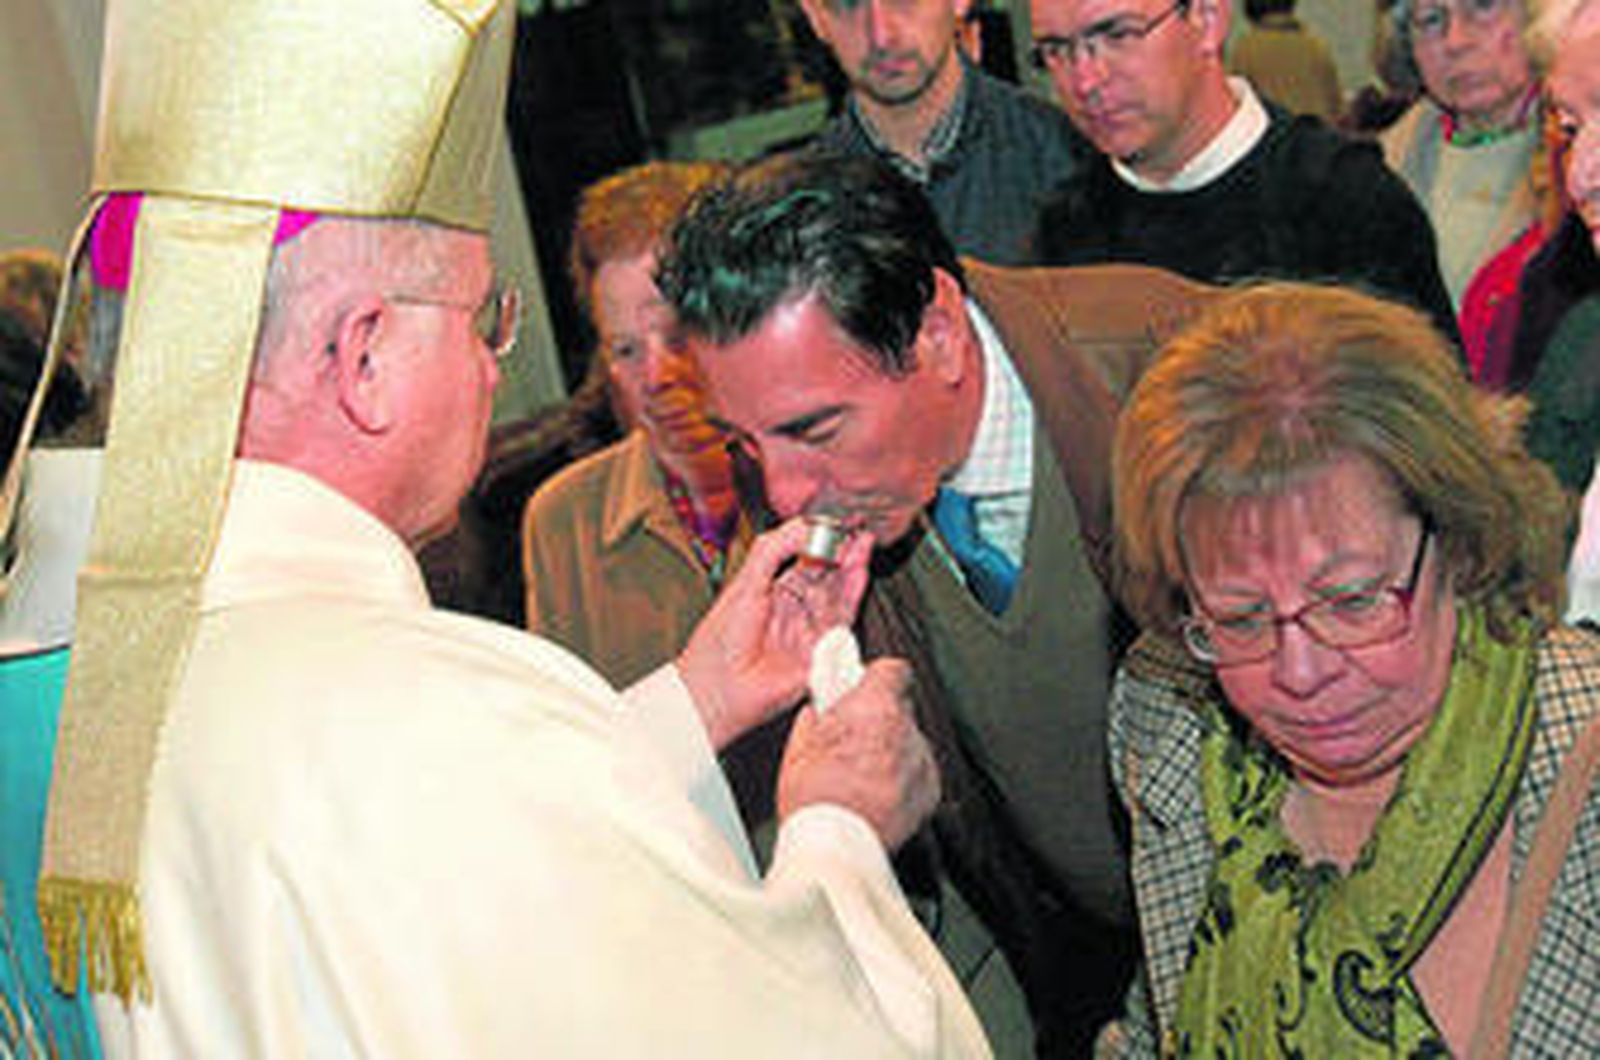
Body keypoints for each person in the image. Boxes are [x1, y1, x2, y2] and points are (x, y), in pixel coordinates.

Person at [13, 2, 992, 1056]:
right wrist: (837, 827)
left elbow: (421, 872)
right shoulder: (417, 715)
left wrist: (696, 700)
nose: (493, 365)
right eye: (486, 318)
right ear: (364, 356)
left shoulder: (59, 672)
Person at [659, 148, 1224, 1058]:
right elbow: (925, 890)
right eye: (746, 441)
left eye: (814, 429)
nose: (788, 490)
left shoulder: (1184, 380)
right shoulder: (799, 495)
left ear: (940, 337)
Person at [1102, 281, 1598, 1056]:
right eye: (1239, 619)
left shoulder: (1581, 754)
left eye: (1353, 601)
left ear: (1459, 542)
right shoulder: (1169, 722)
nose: (1299, 674)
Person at [1027, 0, 1459, 341]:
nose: (1085, 81)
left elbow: (1433, 432)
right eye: (1056, 50)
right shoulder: (1062, 232)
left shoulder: (1345, 202)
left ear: (1207, 19)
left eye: (1118, 35)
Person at [522, 160, 741, 686]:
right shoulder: (564, 522)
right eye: (625, 349)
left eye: (679, 332)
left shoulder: (828, 474)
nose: (658, 375)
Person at [802, 0, 1086, 265]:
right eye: (847, 3)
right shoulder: (801, 214)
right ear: (814, 15)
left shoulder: (1070, 160)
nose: (881, 35)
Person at [1381, 0, 1544, 311]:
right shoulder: (1383, 166)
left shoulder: (1578, 158)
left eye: (1483, 6)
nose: (1456, 41)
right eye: (1431, 20)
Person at [1227, 0, 1342, 123]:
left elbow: (1235, 104)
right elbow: (1336, 107)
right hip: (1315, 135)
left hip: (1272, 136)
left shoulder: (1246, 49)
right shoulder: (1316, 46)